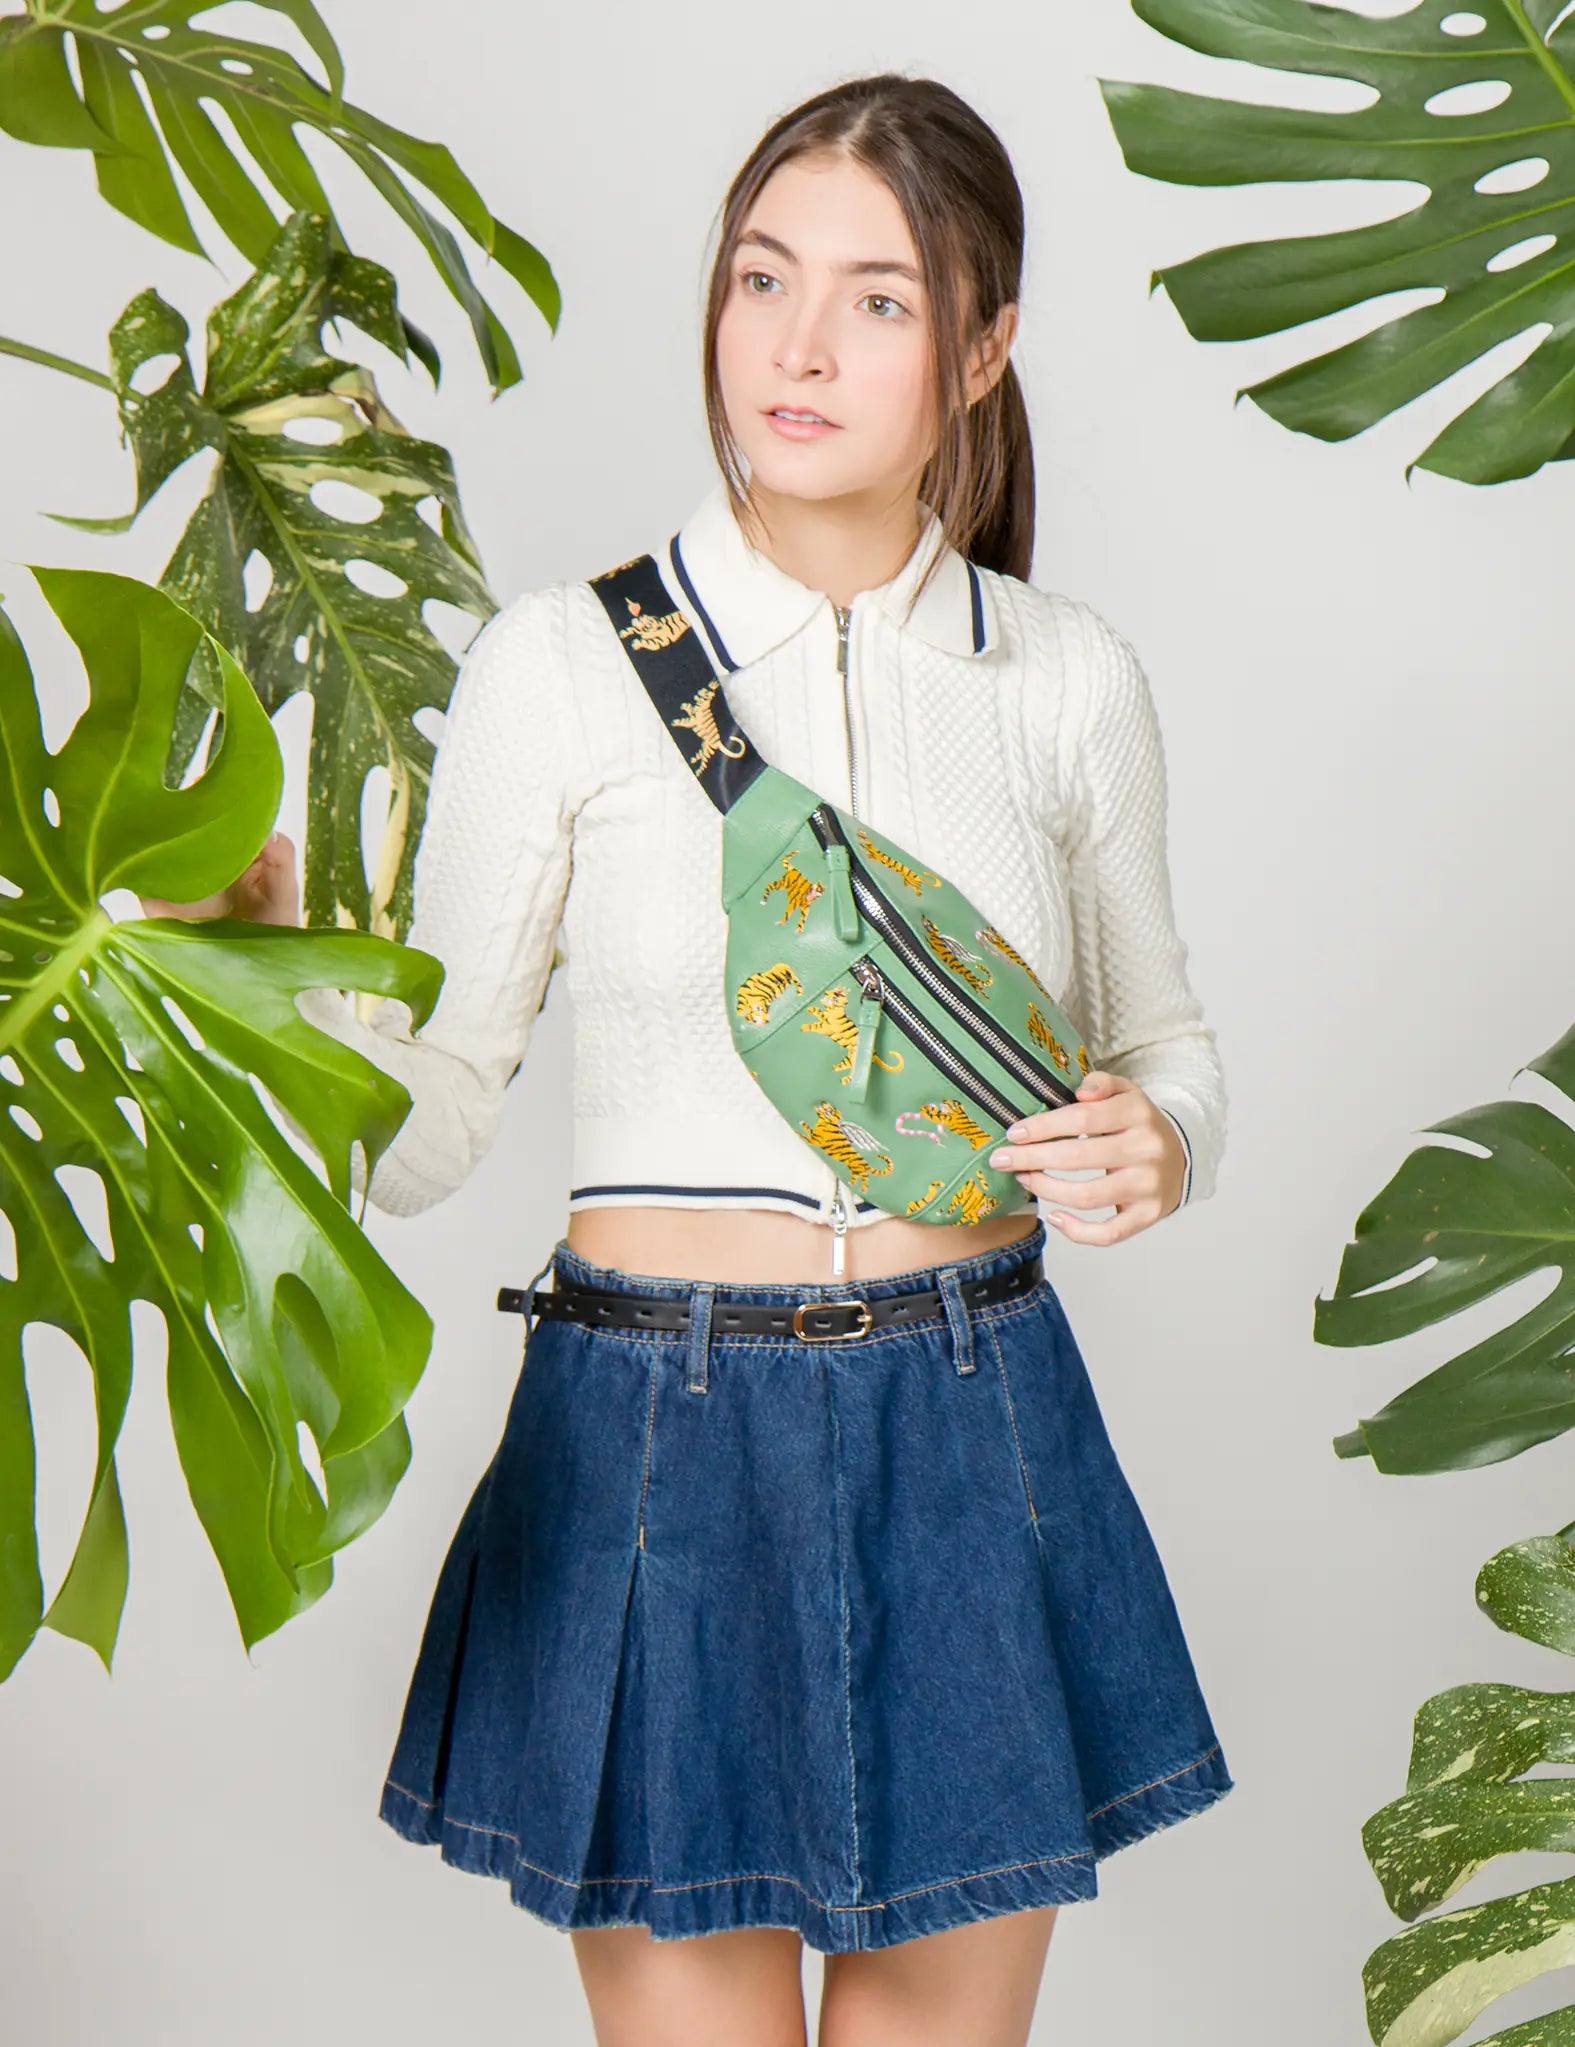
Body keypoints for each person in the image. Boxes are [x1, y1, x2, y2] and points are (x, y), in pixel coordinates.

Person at [142, 72, 1232, 2047]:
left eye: (879, 300)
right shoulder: (559, 666)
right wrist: (270, 991)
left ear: (982, 346)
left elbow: (1158, 1039)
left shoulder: (1061, 679)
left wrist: (1159, 1132)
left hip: (973, 1430)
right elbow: (431, 1119)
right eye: (760, 277)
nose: (797, 346)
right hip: (646, 1443)